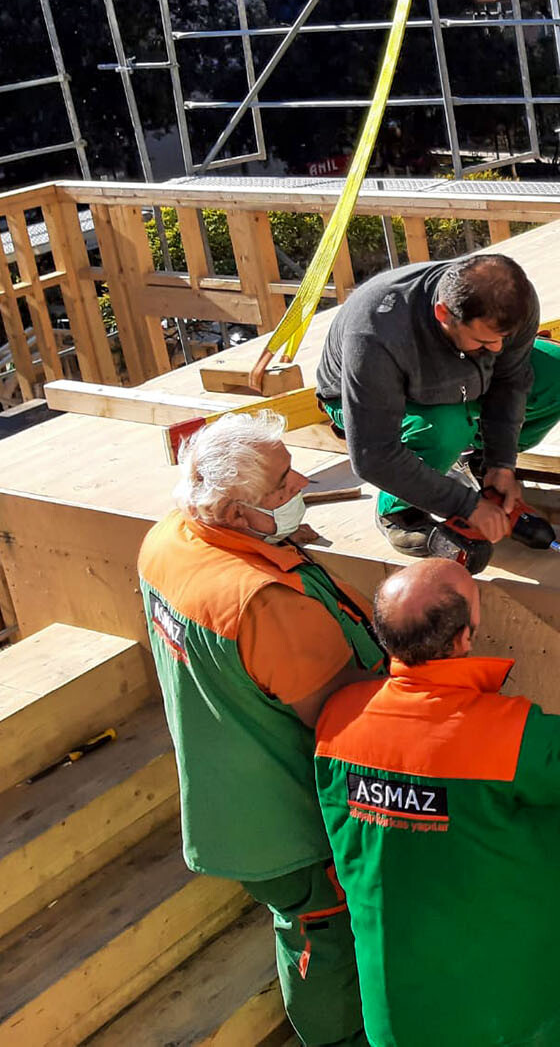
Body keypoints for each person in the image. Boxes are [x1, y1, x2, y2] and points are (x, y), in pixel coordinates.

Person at [315, 561, 560, 1047]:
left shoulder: (339, 719)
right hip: (529, 1016)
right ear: (465, 638)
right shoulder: (506, 734)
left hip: (403, 1017)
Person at [138, 410, 385, 1047]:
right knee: (320, 937)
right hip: (292, 829)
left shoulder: (169, 540)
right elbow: (350, 730)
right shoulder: (264, 607)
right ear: (238, 513)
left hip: (230, 797)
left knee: (302, 927)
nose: (300, 481)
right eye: (282, 483)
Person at [315, 251, 560, 557]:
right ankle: (398, 512)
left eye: (502, 339)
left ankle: (475, 462)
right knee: (444, 429)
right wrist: (466, 505)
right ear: (443, 314)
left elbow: (510, 380)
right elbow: (372, 455)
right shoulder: (376, 332)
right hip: (372, 401)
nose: (497, 349)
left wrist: (501, 462)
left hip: (460, 380)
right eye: (485, 342)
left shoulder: (514, 300)